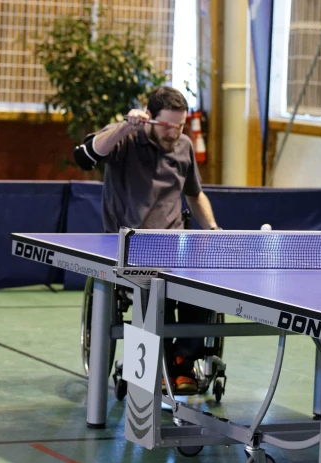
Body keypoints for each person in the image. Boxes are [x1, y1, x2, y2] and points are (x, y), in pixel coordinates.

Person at [73, 85, 220, 392]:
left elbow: (194, 194)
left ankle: (181, 358)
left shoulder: (183, 146)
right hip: (129, 245)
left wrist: (213, 230)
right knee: (156, 289)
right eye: (168, 125)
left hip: (173, 245)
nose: (174, 132)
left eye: (180, 125)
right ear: (150, 118)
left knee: (206, 286)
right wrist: (125, 124)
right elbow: (86, 157)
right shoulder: (123, 138)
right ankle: (157, 364)